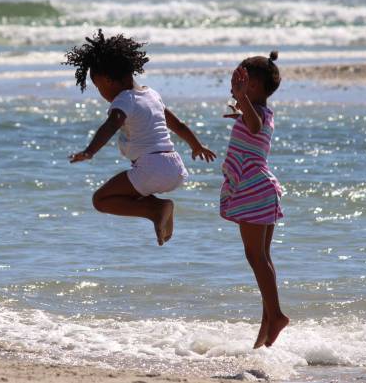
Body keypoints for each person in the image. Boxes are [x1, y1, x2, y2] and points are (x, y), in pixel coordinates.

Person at [65, 29, 216, 245]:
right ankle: (158, 208)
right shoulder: (151, 95)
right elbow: (178, 125)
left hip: (152, 167)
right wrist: (196, 146)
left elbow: (111, 125)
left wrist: (90, 151)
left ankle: (157, 209)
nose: (100, 92)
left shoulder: (124, 99)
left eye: (98, 86)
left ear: (108, 80)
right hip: (175, 167)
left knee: (101, 200)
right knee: (128, 192)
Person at [221, 51, 289, 348]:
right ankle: (265, 328)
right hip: (261, 189)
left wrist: (242, 102)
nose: (236, 86)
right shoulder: (261, 110)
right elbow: (252, 123)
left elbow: (254, 126)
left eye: (243, 82)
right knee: (263, 258)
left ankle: (275, 316)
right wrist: (240, 104)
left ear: (256, 87)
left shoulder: (257, 115)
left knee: (255, 256)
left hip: (253, 188)